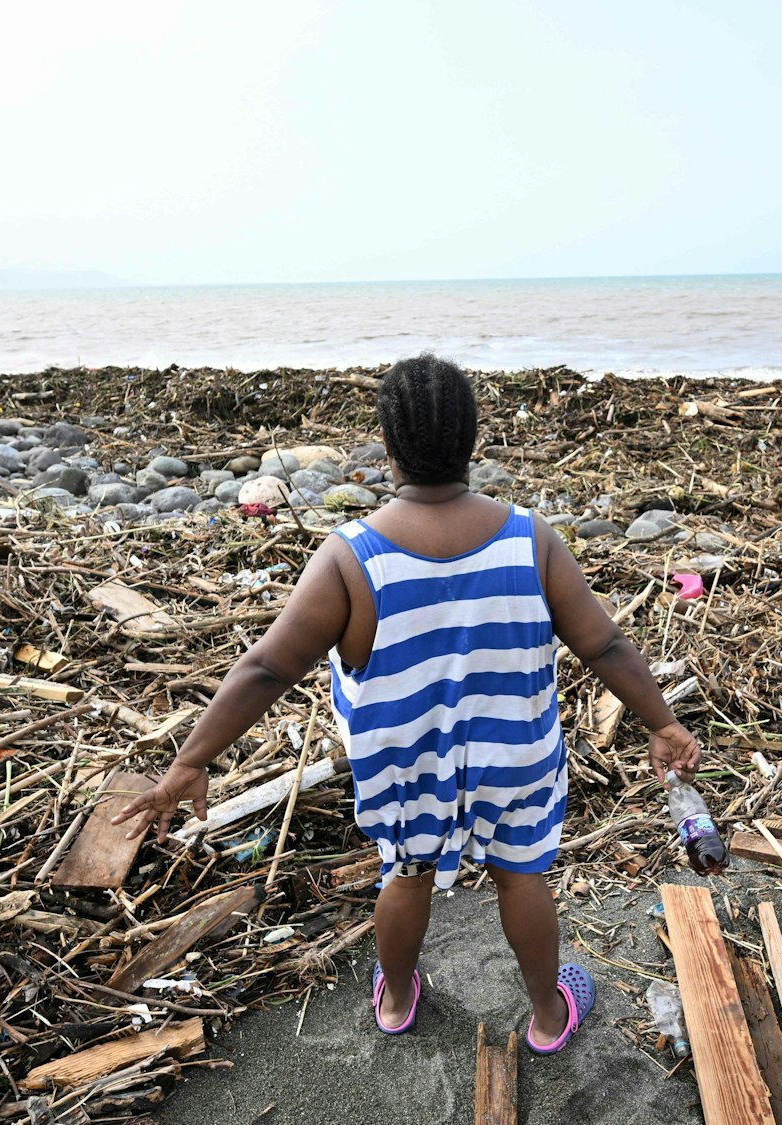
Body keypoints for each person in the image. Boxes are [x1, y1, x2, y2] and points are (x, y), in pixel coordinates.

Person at [115, 353, 700, 1053]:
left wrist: (191, 760)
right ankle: (548, 1013)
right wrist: (661, 723)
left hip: (406, 761)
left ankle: (396, 996)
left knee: (409, 870)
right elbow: (603, 645)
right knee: (522, 874)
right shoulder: (529, 538)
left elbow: (269, 665)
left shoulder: (350, 556)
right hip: (514, 751)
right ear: (472, 440)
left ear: (387, 447)